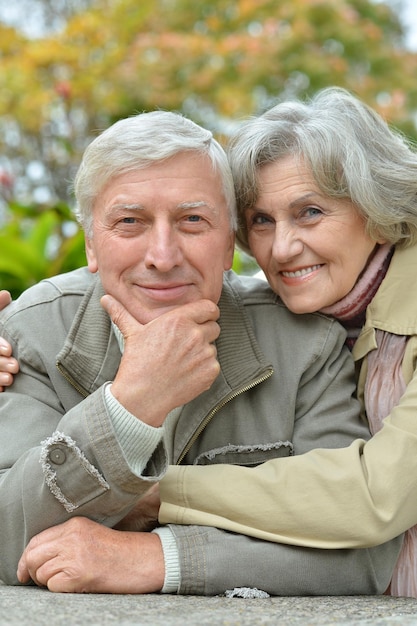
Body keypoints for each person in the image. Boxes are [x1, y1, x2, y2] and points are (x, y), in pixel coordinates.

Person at [0, 108, 399, 595]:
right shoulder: (32, 332)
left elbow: (361, 558)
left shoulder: (305, 342)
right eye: (130, 222)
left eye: (193, 220)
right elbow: (6, 533)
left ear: (229, 245)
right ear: (90, 244)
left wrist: (161, 558)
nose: (163, 257)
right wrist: (129, 406)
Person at [122, 87, 417, 598]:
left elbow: (376, 497)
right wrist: (20, 330)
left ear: (375, 207)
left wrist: (154, 493)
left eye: (309, 213)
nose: (281, 248)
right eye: (261, 220)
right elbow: (148, 276)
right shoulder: (308, 313)